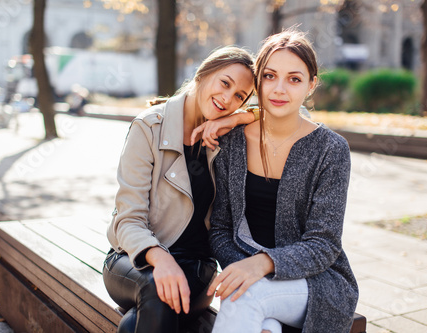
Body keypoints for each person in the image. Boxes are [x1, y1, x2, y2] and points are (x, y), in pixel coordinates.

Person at [207, 29, 359, 333]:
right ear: (258, 80)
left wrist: (263, 264)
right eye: (270, 76)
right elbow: (221, 229)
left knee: (243, 295)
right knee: (265, 325)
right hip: (252, 279)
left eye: (294, 79)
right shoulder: (231, 144)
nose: (279, 89)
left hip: (317, 284)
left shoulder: (331, 150)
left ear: (311, 85)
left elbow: (324, 244)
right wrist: (246, 266)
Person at [103, 46, 256, 333]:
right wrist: (161, 259)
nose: (227, 99)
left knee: (136, 323)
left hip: (195, 269)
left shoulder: (229, 137)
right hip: (132, 260)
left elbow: (296, 111)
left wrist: (239, 118)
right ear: (203, 74)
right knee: (155, 286)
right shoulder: (149, 127)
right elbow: (128, 219)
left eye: (240, 96)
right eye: (225, 83)